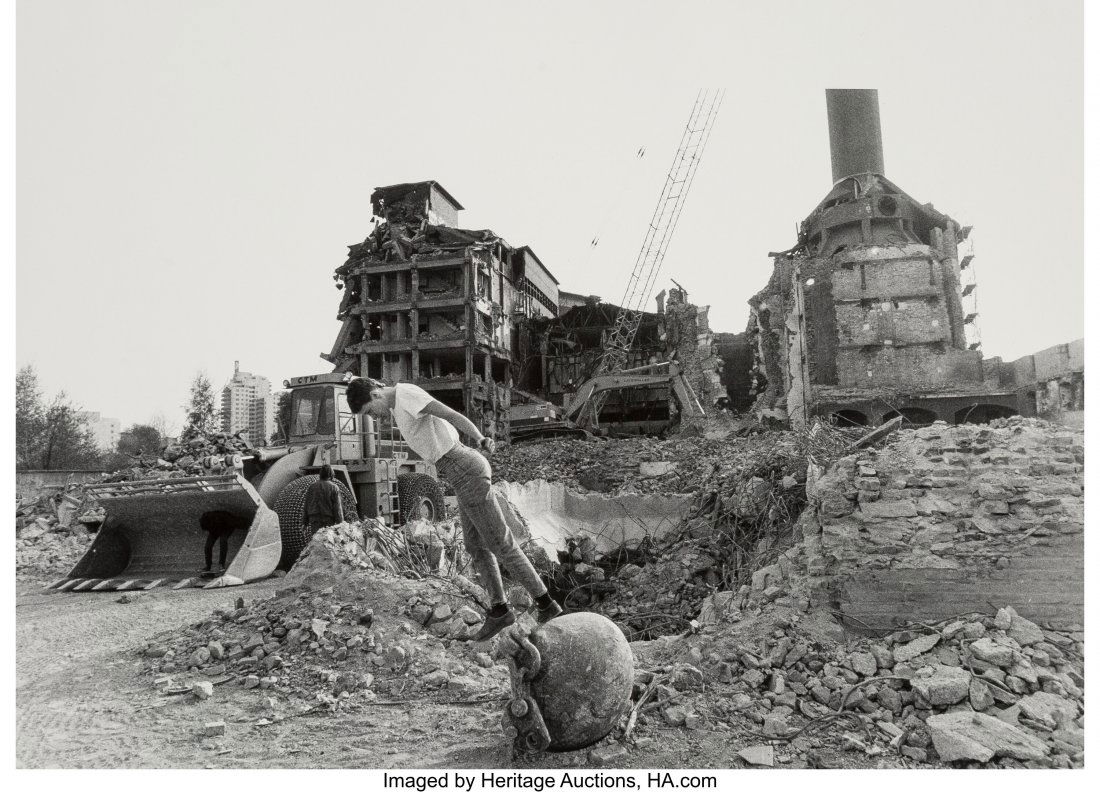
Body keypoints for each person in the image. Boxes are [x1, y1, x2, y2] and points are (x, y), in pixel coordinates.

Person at [347, 377, 562, 640]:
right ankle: (500, 609)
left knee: (500, 542)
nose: (375, 417)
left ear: (376, 393)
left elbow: (449, 413)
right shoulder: (396, 405)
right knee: (474, 545)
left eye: (370, 411)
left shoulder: (406, 396)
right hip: (458, 471)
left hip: (464, 468)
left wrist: (480, 437)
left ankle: (546, 603)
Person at [303, 464, 345, 532]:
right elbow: (337, 508)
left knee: (317, 540)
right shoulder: (334, 487)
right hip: (328, 520)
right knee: (327, 540)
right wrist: (341, 524)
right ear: (331, 474)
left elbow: (306, 505)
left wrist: (305, 523)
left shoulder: (312, 487)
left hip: (314, 520)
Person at [199, 510, 238, 575]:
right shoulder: (206, 520)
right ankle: (208, 566)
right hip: (215, 528)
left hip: (227, 526)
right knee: (208, 546)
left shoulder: (222, 517)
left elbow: (233, 522)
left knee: (223, 541)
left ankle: (221, 564)